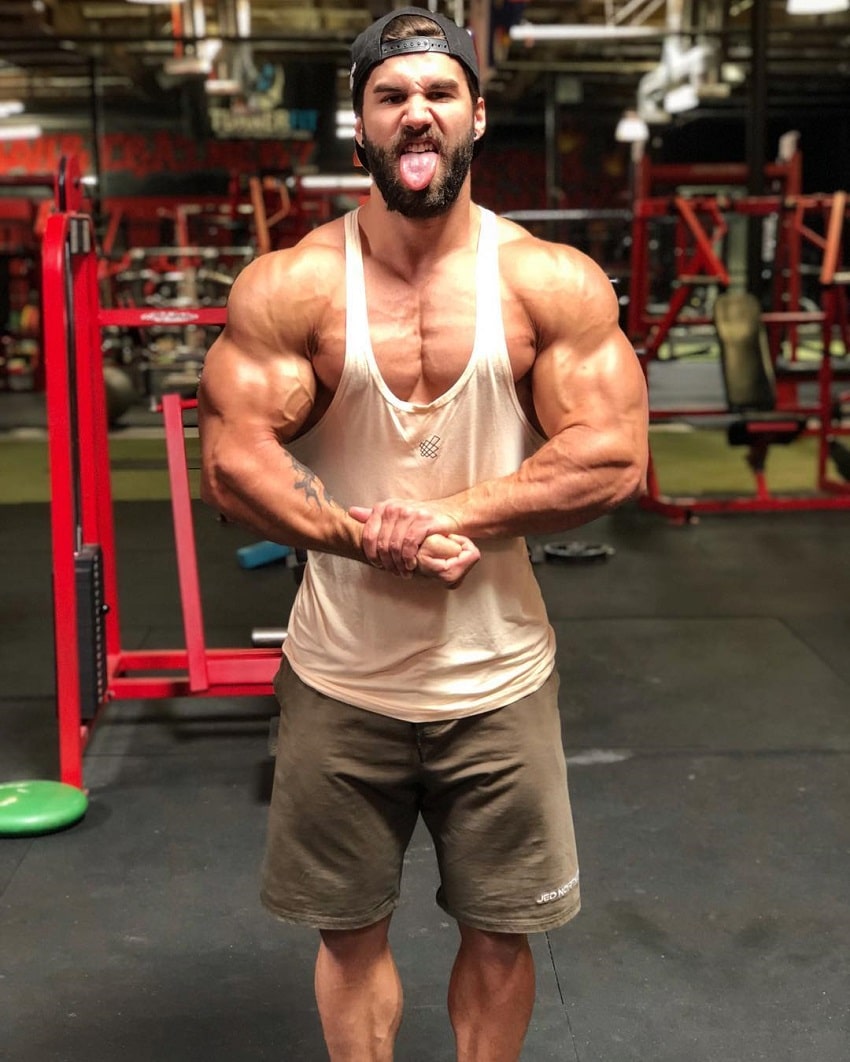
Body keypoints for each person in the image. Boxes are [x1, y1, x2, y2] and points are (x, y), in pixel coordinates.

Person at [197, 7, 649, 1060]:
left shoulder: (545, 281)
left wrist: (437, 517)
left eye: (439, 93)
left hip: (496, 680)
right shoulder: (294, 285)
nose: (417, 113)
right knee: (349, 937)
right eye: (391, 95)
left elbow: (615, 454)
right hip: (339, 678)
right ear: (356, 124)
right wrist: (367, 541)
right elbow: (233, 462)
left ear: (476, 117)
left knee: (500, 933)